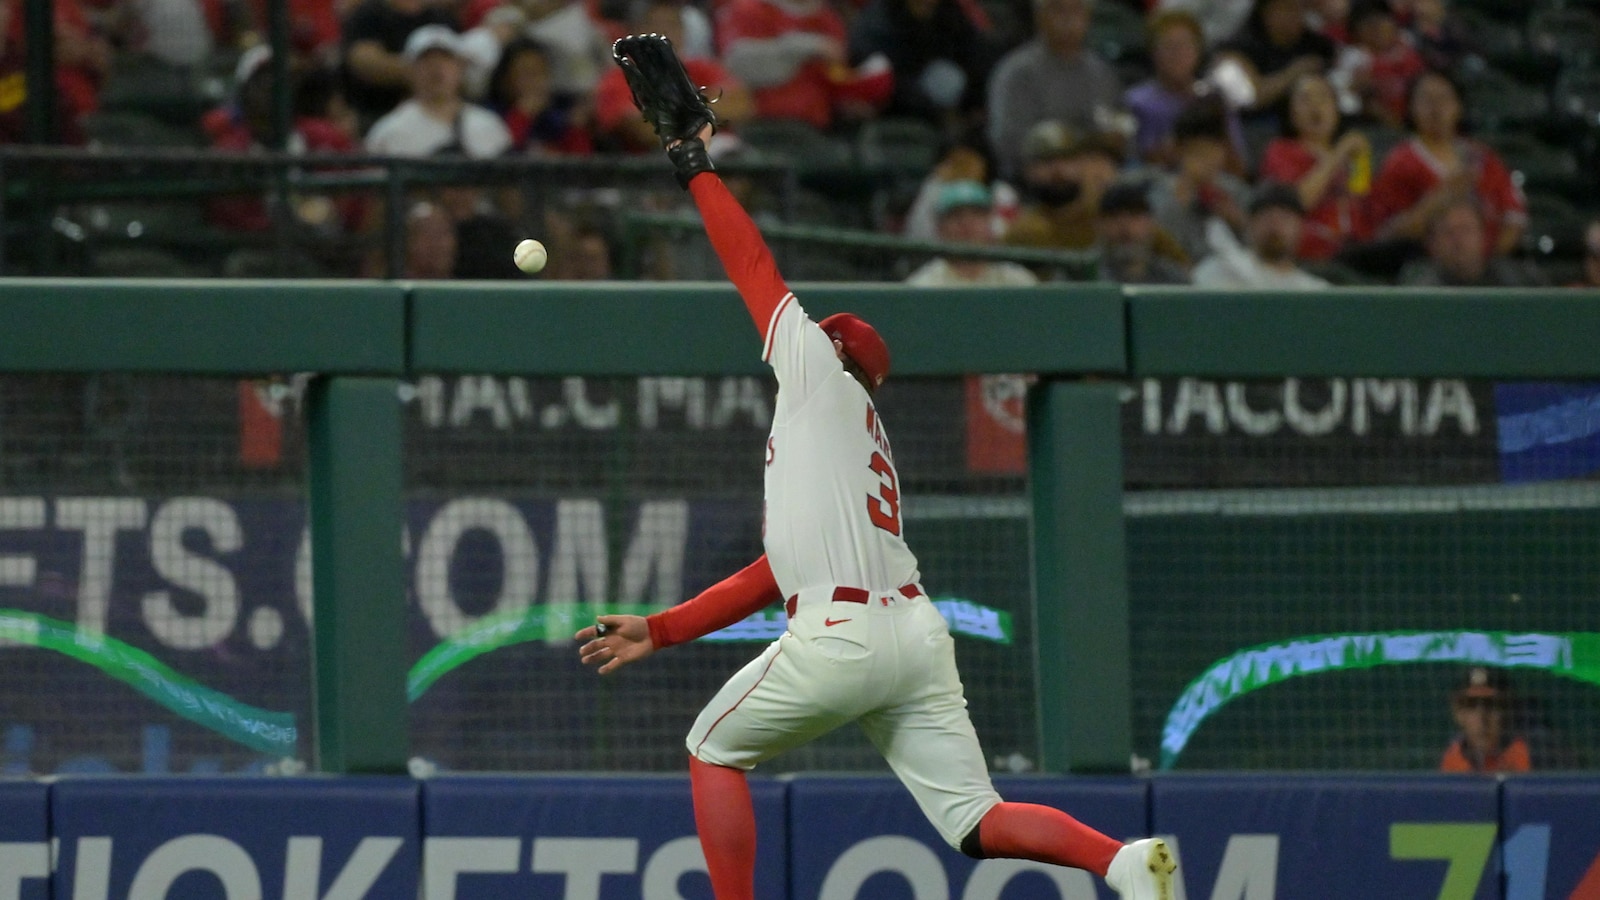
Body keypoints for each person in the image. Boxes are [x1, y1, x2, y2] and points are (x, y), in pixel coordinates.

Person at [580, 33, 1178, 900]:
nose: (804, 328)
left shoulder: (817, 373)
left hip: (842, 635)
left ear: (832, 349)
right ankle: (1123, 862)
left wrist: (694, 164)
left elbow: (752, 266)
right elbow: (773, 570)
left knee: (711, 748)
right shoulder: (851, 436)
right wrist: (665, 627)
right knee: (977, 817)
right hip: (913, 638)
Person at [1369, 68, 1525, 257]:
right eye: (1427, 100)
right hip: (1425, 264)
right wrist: (1439, 199)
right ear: (1411, 107)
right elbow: (1386, 234)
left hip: (1487, 264)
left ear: (1458, 106)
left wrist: (1486, 262)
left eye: (1444, 98)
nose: (1436, 108)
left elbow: (1513, 217)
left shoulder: (1482, 158)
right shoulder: (1399, 163)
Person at [986, 0, 1122, 183]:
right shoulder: (1017, 72)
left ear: (1088, 17)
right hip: (1035, 180)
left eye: (1076, 10)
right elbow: (1009, 142)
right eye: (1059, 10)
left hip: (1095, 178)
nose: (1068, 19)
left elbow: (1117, 129)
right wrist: (1065, 163)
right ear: (1039, 16)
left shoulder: (1102, 73)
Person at [595, 2, 751, 151]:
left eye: (672, 25)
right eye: (654, 25)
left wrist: (675, 116)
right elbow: (645, 131)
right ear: (633, 33)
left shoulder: (703, 69)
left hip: (720, 153)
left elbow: (742, 106)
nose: (664, 33)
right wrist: (704, 111)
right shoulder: (618, 78)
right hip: (653, 168)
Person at [1258, 73, 1371, 260]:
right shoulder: (1281, 151)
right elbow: (1297, 203)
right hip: (1309, 252)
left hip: (1355, 250)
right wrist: (1337, 155)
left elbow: (1362, 204)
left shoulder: (1350, 157)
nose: (1316, 106)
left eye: (1324, 98)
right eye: (1305, 99)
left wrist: (1357, 164)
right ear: (1292, 114)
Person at [364, 25, 513, 158]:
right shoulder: (388, 132)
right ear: (410, 70)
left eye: (446, 59)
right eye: (426, 60)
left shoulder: (489, 126)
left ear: (460, 68)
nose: (437, 68)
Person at [846, 0, 997, 131]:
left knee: (947, 78)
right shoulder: (877, 23)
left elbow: (974, 53)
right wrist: (932, 111)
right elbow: (885, 80)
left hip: (939, 98)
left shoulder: (949, 12)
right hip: (894, 109)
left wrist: (976, 103)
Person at [1145, 96, 1250, 262]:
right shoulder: (1160, 190)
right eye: (1197, 152)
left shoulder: (1236, 191)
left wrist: (1237, 221)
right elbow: (1156, 247)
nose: (1206, 161)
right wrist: (1181, 198)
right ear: (1179, 152)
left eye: (1212, 151)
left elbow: (1256, 251)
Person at [1215, 0, 1338, 121]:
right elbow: (1250, 97)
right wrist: (1294, 72)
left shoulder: (1318, 45)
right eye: (1286, 8)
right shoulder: (1237, 47)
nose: (1294, 15)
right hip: (1258, 124)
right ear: (1266, 12)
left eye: (1299, 8)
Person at [1191, 181, 1330, 287]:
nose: (1275, 225)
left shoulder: (1314, 291)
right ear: (1250, 225)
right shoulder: (1222, 269)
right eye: (1266, 217)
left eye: (1284, 218)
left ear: (1300, 228)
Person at [907, 180, 1039, 285]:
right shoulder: (922, 286)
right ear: (940, 227)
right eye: (956, 215)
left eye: (976, 214)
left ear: (989, 222)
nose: (966, 223)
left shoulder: (1018, 281)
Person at [1399, 198, 1547, 287]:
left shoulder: (1516, 280)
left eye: (1466, 229)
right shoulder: (1420, 291)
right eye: (1448, 232)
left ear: (1482, 236)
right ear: (1432, 243)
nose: (1458, 240)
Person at [487, 37, 593, 154]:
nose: (537, 82)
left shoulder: (558, 115)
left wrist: (576, 130)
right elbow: (496, 159)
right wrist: (521, 116)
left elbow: (583, 164)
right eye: (528, 73)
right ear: (505, 80)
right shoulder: (489, 116)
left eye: (542, 72)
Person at [1096, 180, 1191, 283]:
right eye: (1114, 216)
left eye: (1134, 214)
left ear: (1151, 223)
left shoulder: (1173, 279)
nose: (1124, 225)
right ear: (1100, 225)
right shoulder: (1086, 278)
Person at [1439, 666, 1531, 773]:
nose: (1482, 718)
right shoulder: (1453, 759)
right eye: (1471, 706)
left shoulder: (1525, 755)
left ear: (1507, 711)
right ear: (1458, 714)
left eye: (1491, 705)